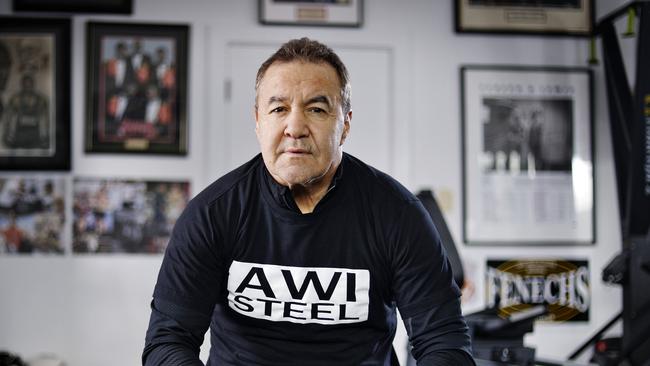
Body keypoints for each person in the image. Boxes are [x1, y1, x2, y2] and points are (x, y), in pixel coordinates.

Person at [143, 38, 474, 365]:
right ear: (258, 121)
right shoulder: (212, 214)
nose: (295, 127)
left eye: (316, 109)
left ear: (344, 124)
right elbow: (168, 341)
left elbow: (443, 342)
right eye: (279, 109)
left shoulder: (398, 215)